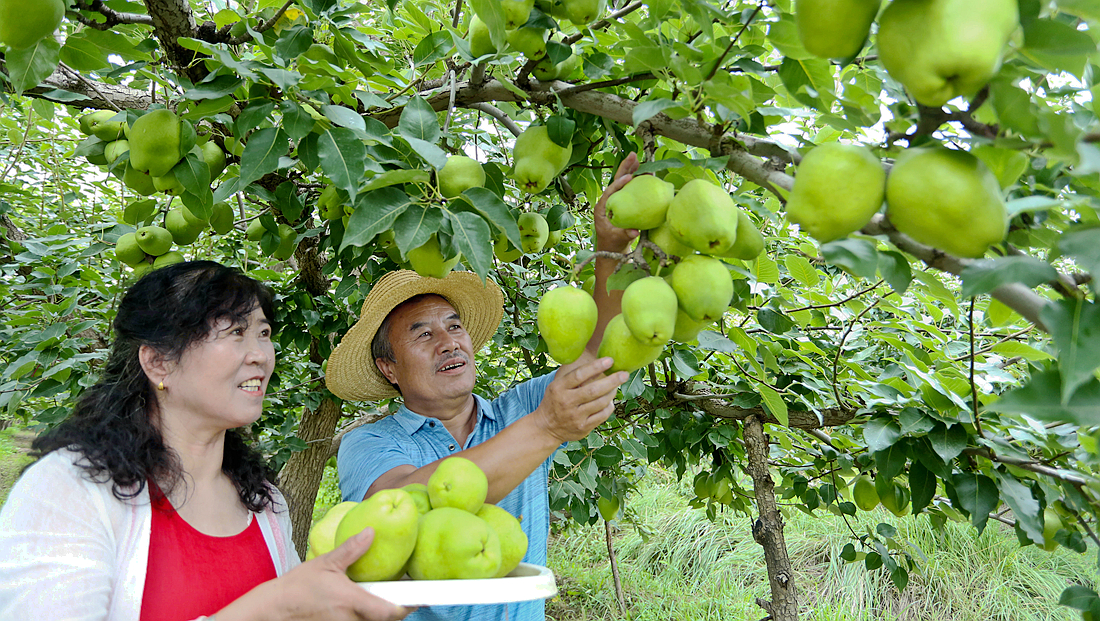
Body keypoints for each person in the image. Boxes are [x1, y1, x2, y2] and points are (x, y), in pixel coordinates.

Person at [326, 153, 641, 621]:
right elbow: (407, 505)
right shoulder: (368, 443)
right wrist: (548, 428)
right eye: (422, 333)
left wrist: (611, 248)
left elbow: (600, 357)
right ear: (388, 368)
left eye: (455, 326)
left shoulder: (520, 410)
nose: (448, 342)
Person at [0, 261, 408, 621]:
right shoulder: (67, 491)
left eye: (263, 333)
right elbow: (281, 606)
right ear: (159, 361)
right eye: (234, 332)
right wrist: (273, 608)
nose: (261, 355)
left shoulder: (265, 503)